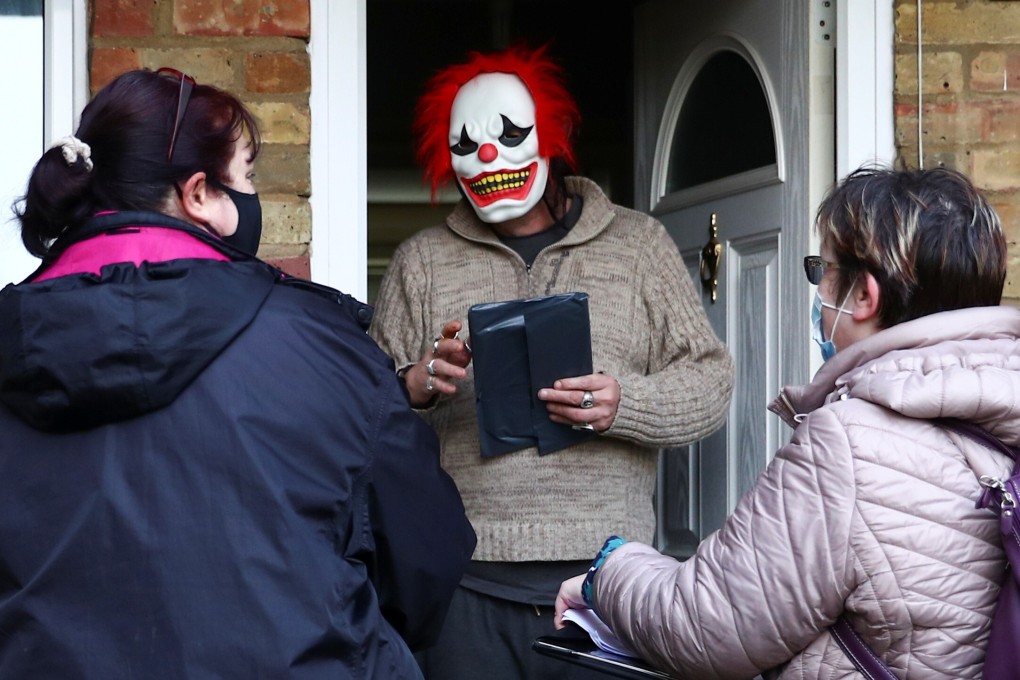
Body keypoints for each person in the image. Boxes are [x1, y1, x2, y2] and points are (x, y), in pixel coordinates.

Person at [0, 68, 475, 678]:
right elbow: (424, 559)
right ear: (197, 193)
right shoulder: (324, 346)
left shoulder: (13, 342)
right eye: (246, 176)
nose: (253, 197)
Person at [555, 166, 1018, 679]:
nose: (819, 291)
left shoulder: (850, 444)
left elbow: (706, 626)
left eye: (824, 270)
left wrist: (610, 570)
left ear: (864, 296)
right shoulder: (1003, 408)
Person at [367, 46, 734, 679]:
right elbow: (357, 406)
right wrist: (418, 383)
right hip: (465, 586)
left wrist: (627, 404)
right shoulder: (421, 261)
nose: (489, 157)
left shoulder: (637, 244)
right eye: (469, 143)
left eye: (508, 136)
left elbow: (711, 379)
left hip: (609, 587)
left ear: (550, 134)